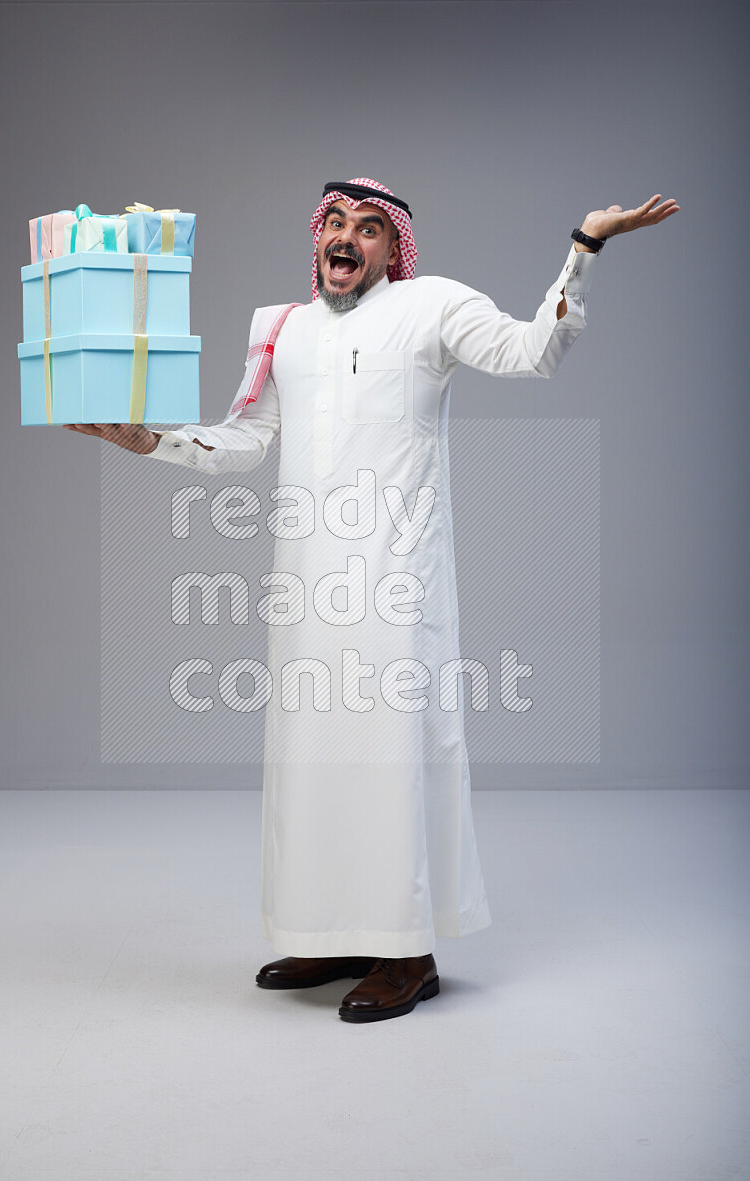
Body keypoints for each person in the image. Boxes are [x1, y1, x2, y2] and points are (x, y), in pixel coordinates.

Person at [65, 178, 679, 1023]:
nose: (346, 239)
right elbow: (244, 441)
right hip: (308, 581)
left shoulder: (432, 307)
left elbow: (534, 351)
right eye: (335, 225)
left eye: (367, 228)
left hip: (397, 583)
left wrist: (585, 248)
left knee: (390, 759)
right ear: (317, 239)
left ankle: (407, 952)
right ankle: (331, 929)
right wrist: (147, 439)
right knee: (312, 757)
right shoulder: (282, 329)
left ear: (394, 248)